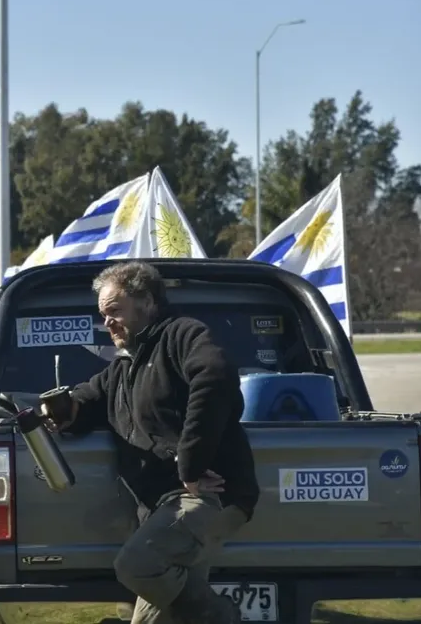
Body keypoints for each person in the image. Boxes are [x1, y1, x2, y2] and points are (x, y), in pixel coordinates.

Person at [39, 262, 259, 624]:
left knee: (136, 565)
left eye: (114, 311)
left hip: (206, 495)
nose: (107, 322)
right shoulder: (122, 369)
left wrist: (190, 464)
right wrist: (60, 409)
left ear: (147, 302)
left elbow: (214, 375)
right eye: (102, 315)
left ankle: (221, 618)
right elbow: (85, 403)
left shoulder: (182, 335)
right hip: (162, 510)